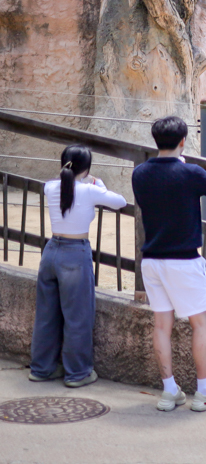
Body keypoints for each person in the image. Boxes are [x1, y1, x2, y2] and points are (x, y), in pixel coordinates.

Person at [131, 115, 206, 412]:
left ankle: (169, 391)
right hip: (184, 260)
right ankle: (203, 391)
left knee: (162, 325)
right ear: (182, 141)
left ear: (156, 141)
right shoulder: (190, 172)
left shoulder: (139, 174)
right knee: (200, 323)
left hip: (152, 260)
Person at [30, 145, 127, 387]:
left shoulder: (50, 187)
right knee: (77, 316)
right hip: (75, 253)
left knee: (46, 315)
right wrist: (98, 184)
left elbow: (62, 185)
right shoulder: (89, 190)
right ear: (86, 169)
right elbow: (120, 202)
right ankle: (78, 373)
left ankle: (41, 369)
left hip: (51, 251)